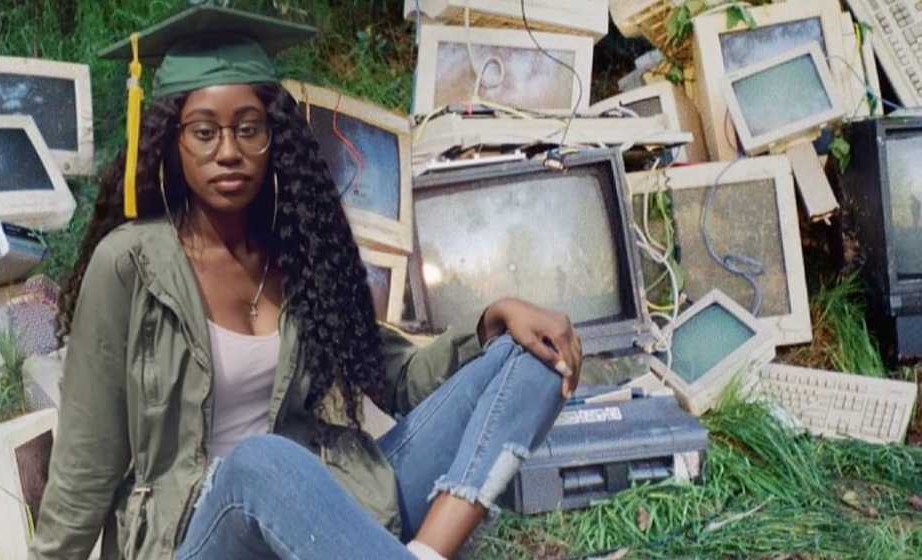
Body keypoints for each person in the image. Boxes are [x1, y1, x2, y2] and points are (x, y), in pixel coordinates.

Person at [31, 6, 581, 560]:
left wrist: (492, 322)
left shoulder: (299, 253)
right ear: (172, 143)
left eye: (249, 129)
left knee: (532, 357)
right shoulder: (130, 264)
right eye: (204, 132)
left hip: (314, 521)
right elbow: (86, 462)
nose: (228, 151)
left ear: (277, 139)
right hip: (200, 535)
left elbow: (397, 378)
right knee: (259, 461)